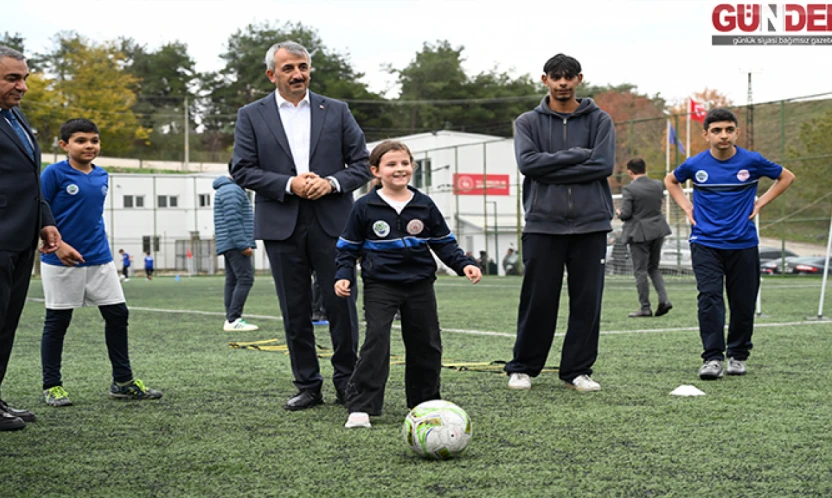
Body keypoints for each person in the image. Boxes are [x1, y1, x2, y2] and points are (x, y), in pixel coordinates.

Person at [231, 40, 372, 411]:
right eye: (289, 68)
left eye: (303, 67)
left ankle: (347, 382)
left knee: (341, 304)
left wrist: (331, 182)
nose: (297, 75)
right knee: (295, 310)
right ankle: (308, 384)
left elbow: (361, 163)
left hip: (334, 221)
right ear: (271, 74)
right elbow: (241, 169)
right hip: (282, 222)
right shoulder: (251, 114)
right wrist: (288, 184)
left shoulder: (337, 111)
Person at [334, 140, 482, 428]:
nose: (399, 169)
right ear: (376, 171)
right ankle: (361, 406)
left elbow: (443, 243)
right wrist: (343, 274)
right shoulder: (364, 207)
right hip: (381, 285)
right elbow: (347, 247)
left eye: (404, 163)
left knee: (426, 343)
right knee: (376, 341)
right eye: (391, 164)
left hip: (420, 285)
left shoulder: (424, 204)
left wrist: (464, 264)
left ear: (412, 167)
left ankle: (425, 403)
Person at [504, 53, 615, 393]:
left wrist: (551, 164)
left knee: (587, 301)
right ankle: (523, 367)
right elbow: (528, 164)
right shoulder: (527, 122)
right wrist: (580, 154)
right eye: (556, 76)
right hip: (543, 223)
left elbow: (603, 165)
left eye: (568, 77)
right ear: (545, 80)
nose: (562, 83)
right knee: (539, 299)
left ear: (579, 79)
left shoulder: (600, 120)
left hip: (591, 224)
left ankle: (577, 370)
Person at [40, 118, 163, 407]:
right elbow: (38, 210)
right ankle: (52, 386)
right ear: (64, 145)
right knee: (57, 322)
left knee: (118, 316)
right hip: (61, 261)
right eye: (80, 140)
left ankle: (122, 381)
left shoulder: (102, 175)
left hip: (100, 259)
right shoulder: (53, 174)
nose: (89, 146)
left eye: (94, 140)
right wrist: (57, 247)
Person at [666, 108, 794, 380]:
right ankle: (712, 358)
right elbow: (671, 180)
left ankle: (737, 354)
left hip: (743, 242)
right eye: (716, 130)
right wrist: (687, 207)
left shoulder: (752, 161)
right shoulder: (695, 164)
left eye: (728, 130)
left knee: (743, 302)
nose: (723, 135)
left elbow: (787, 177)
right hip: (705, 242)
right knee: (710, 297)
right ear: (706, 135)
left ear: (737, 132)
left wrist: (760, 202)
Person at [0, 45, 65, 431]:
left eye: (25, 78)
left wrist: (45, 218)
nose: (22, 86)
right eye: (12, 78)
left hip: (21, 238)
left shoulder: (15, 118)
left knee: (6, 323)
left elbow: (27, 177)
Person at [617, 158, 672, 318]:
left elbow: (626, 214)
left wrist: (620, 213)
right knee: (653, 267)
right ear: (645, 168)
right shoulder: (657, 185)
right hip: (658, 229)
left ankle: (645, 307)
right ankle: (664, 300)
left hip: (639, 233)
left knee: (640, 271)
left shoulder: (629, 189)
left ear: (630, 172)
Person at [213, 165, 259, 332]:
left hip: (229, 242)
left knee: (233, 280)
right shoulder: (232, 190)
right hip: (235, 243)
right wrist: (243, 244)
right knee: (245, 278)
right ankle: (234, 318)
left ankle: (231, 318)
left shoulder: (228, 189)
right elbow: (233, 219)